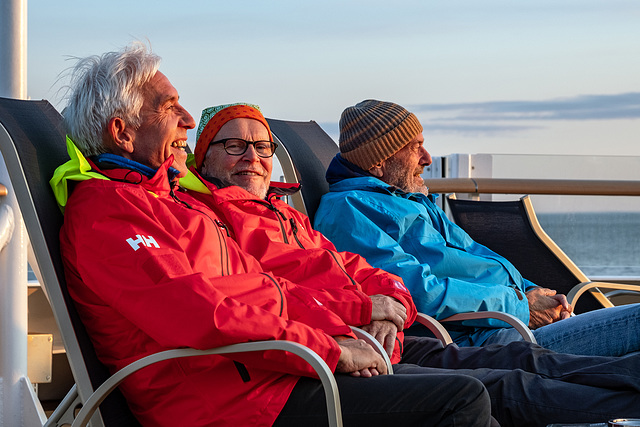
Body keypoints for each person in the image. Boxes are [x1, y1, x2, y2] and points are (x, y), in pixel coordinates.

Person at [52, 44, 494, 427]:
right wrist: (330, 349)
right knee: (463, 402)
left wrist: (347, 322)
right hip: (226, 405)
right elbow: (201, 314)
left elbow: (267, 289)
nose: (187, 118)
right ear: (122, 133)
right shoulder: (107, 215)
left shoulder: (176, 204)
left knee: (478, 395)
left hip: (272, 371)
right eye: (169, 107)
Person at [185, 101, 640, 427]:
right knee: (506, 383)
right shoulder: (339, 213)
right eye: (234, 146)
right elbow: (256, 300)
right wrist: (519, 305)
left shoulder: (295, 214)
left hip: (399, 331)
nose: (254, 158)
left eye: (263, 148)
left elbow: (380, 278)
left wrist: (531, 291)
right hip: (463, 326)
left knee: (521, 368)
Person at [313, 99, 640, 358]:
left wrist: (530, 293)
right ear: (377, 162)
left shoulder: (411, 201)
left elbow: (477, 257)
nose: (427, 157)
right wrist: (522, 307)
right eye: (415, 147)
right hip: (482, 339)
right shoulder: (349, 212)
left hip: (505, 319)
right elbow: (417, 292)